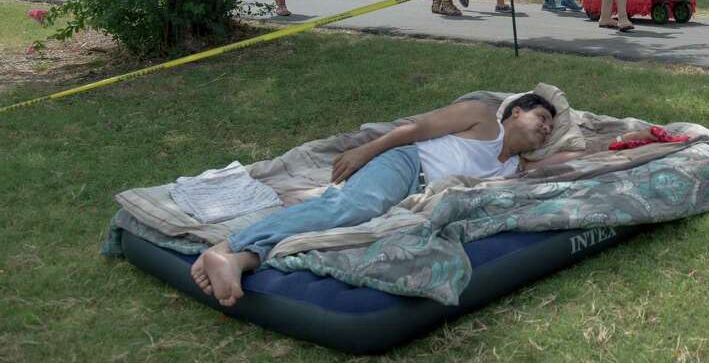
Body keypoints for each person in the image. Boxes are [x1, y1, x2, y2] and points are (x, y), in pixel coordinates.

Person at [189, 93, 580, 308]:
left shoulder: (514, 168)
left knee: (352, 227)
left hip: (414, 196)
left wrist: (634, 143)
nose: (546, 130)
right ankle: (231, 248)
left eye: (549, 128)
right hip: (406, 163)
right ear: (515, 112)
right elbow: (415, 129)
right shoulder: (482, 118)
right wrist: (365, 152)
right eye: (540, 119)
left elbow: (582, 160)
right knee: (354, 209)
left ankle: (237, 258)